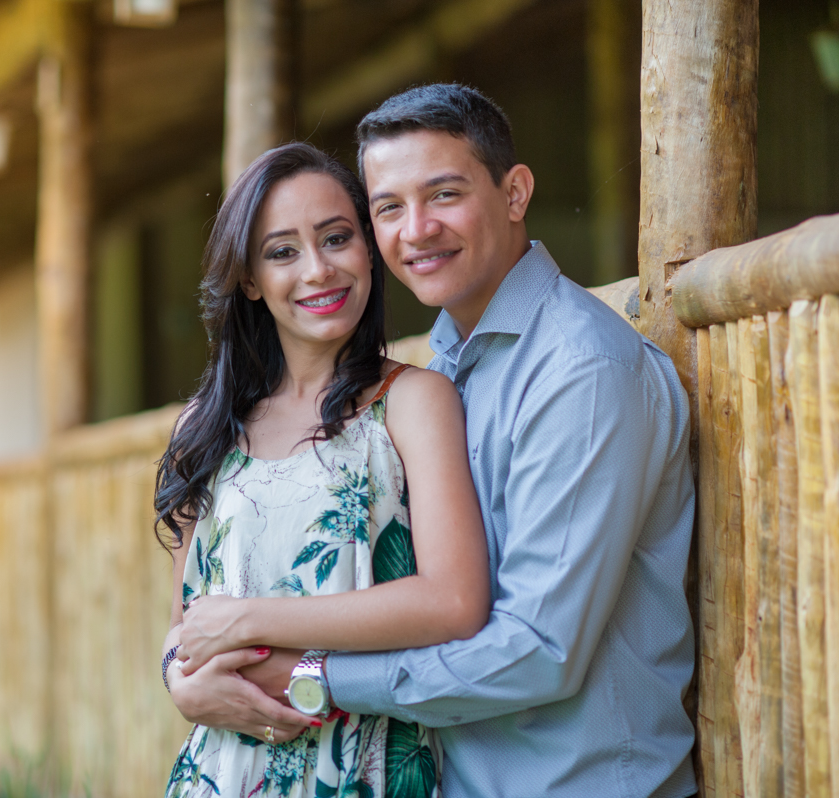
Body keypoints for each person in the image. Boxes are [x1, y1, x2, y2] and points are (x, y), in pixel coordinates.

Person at [168, 84, 698, 798]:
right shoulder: (448, 361)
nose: (416, 230)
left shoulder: (581, 370)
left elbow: (538, 651)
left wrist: (312, 680)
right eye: (389, 207)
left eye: (443, 194)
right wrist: (185, 677)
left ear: (515, 193)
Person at [156, 142, 491, 798]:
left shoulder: (414, 403)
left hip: (362, 769)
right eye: (282, 251)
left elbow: (453, 602)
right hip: (220, 775)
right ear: (249, 278)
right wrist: (179, 683)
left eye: (336, 238)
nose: (318, 269)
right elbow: (185, 628)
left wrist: (250, 620)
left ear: (368, 250)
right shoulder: (205, 425)